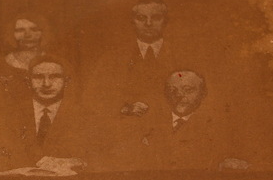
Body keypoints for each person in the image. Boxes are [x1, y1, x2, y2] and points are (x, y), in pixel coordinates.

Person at [107, 70, 249, 171]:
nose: (179, 96)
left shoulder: (219, 127)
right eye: (173, 90)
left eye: (188, 90)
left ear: (203, 93)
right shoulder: (147, 123)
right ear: (166, 94)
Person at [0, 54, 90, 176]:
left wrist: (78, 162)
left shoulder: (85, 118)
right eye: (38, 77)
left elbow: (99, 158)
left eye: (54, 77)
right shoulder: (7, 116)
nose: (46, 84)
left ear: (66, 81)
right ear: (28, 82)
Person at [0, 12, 58, 107]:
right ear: (11, 33)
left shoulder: (58, 65)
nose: (28, 35)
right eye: (20, 30)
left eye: (34, 29)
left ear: (43, 32)